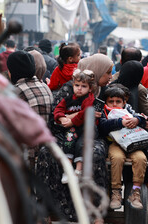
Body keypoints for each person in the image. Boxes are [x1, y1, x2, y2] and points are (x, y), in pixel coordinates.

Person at [37, 53, 113, 224]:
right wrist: (73, 118)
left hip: (90, 135)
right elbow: (55, 118)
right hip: (63, 132)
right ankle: (47, 208)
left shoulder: (106, 91)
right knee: (47, 153)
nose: (110, 76)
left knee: (95, 153)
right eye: (107, 72)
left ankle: (95, 211)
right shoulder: (69, 88)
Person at [98, 85, 147, 210]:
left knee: (141, 159)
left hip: (131, 143)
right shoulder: (104, 112)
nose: (115, 104)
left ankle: (135, 193)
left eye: (118, 102)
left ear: (124, 102)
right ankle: (116, 192)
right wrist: (120, 122)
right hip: (115, 144)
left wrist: (136, 119)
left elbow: (141, 118)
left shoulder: (128, 110)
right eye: (111, 101)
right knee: (117, 158)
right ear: (106, 102)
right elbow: (103, 125)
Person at [7, 50, 54, 170]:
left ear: (13, 72)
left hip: (27, 151)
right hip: (47, 147)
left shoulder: (16, 91)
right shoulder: (45, 86)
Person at [54, 69, 96, 183]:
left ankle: (78, 171)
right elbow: (58, 109)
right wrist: (62, 118)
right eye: (77, 85)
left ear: (90, 88)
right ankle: (67, 171)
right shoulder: (68, 99)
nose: (79, 88)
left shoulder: (89, 98)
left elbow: (85, 112)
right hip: (72, 128)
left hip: (86, 128)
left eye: (84, 86)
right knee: (69, 141)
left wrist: (71, 121)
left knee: (81, 145)